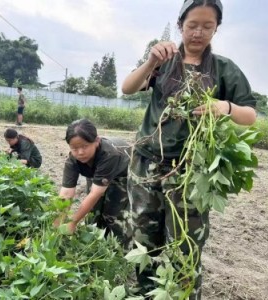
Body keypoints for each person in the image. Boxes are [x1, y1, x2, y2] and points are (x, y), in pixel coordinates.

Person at [121, 0, 257, 298]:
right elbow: (128, 88)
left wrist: (225, 106)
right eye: (192, 25)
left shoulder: (223, 69)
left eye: (207, 26)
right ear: (180, 24)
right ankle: (146, 293)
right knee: (144, 239)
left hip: (191, 171)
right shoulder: (164, 60)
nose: (198, 32)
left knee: (185, 245)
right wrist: (150, 61)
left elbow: (250, 115)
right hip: (147, 164)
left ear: (217, 28)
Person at [53, 119, 135, 249]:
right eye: (74, 148)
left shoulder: (109, 154)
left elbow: (96, 192)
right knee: (93, 213)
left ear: (96, 141)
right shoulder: (73, 160)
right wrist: (58, 220)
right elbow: (66, 193)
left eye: (85, 146)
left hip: (122, 175)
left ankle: (118, 249)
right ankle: (94, 243)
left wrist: (73, 222)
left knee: (113, 214)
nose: (80, 152)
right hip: (97, 172)